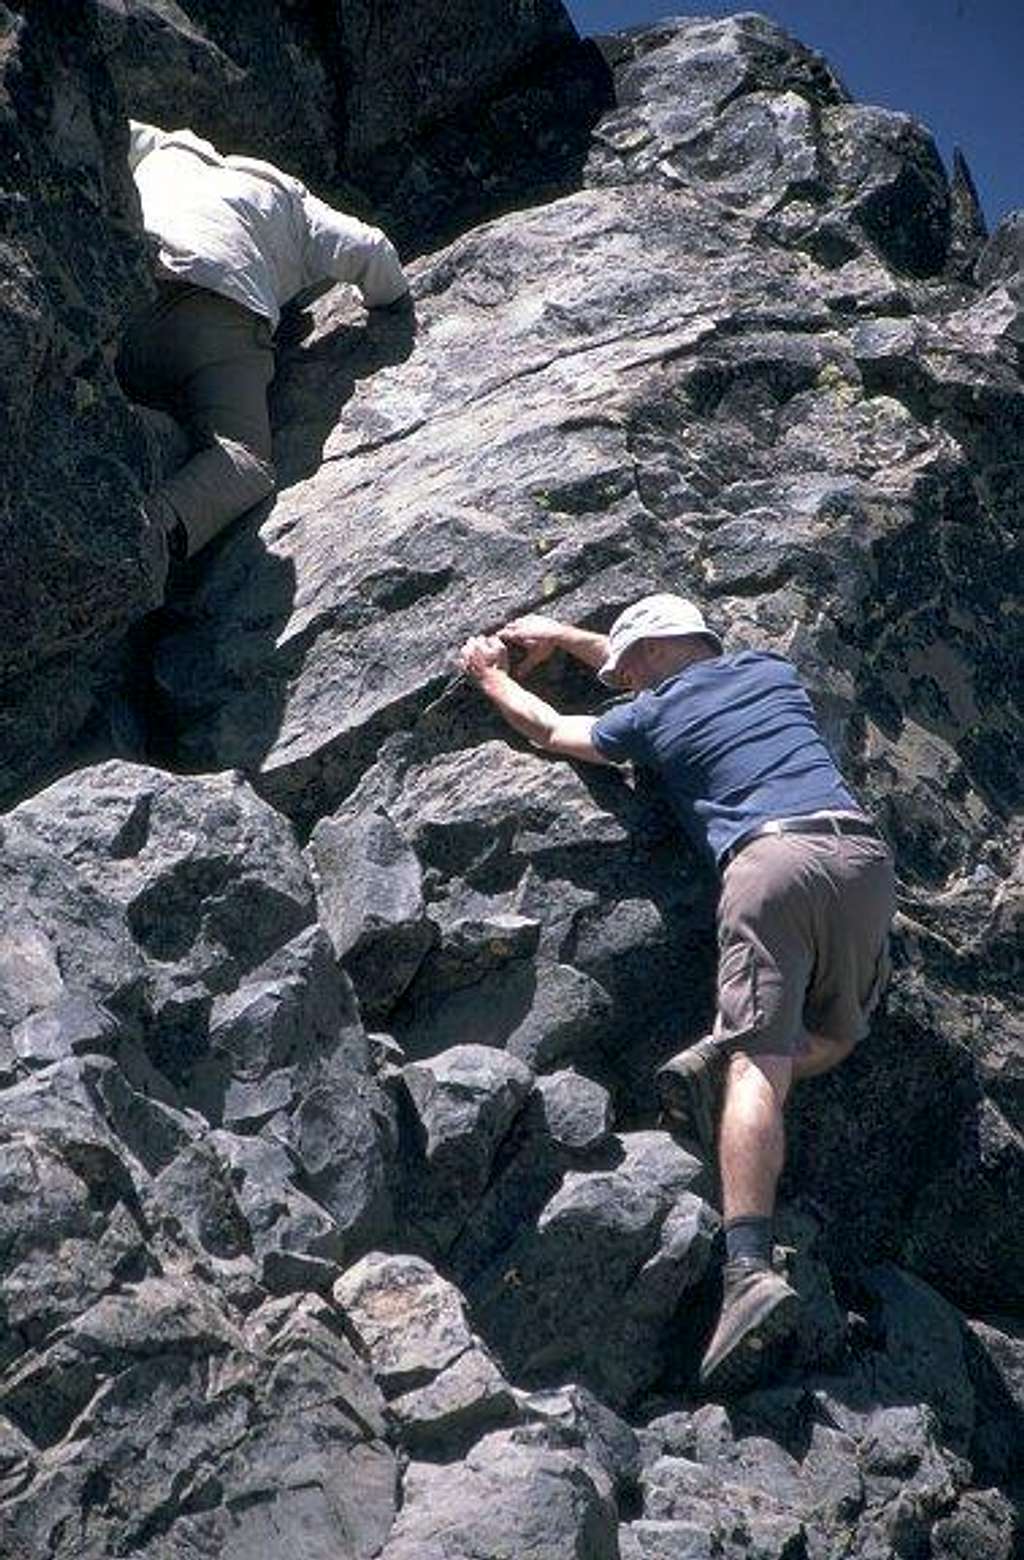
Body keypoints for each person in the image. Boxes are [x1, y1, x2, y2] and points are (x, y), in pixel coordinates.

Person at [458, 594, 895, 1394]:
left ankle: (748, 1269)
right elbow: (657, 657)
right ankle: (716, 1058)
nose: (620, 683)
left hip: (769, 870)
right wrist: (564, 637)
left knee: (757, 1066)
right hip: (862, 857)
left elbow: (554, 731)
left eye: (627, 672)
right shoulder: (770, 672)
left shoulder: (649, 719)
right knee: (842, 1033)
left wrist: (491, 676)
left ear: (649, 665)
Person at [121, 120, 410, 573]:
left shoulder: (165, 149)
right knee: (246, 461)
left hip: (128, 288)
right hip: (222, 318)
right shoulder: (297, 205)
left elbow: (100, 125)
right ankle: (141, 532)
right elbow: (372, 250)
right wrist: (388, 300)